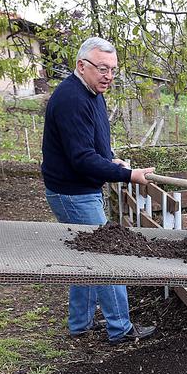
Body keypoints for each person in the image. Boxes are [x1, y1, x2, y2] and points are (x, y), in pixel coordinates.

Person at [41, 36, 156, 344]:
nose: (108, 76)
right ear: (82, 65)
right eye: (102, 68)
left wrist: (109, 160)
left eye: (113, 70)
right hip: (72, 192)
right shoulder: (71, 99)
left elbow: (91, 145)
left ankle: (79, 323)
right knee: (107, 255)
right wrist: (128, 174)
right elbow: (80, 158)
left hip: (81, 187)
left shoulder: (93, 93)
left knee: (87, 255)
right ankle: (121, 327)